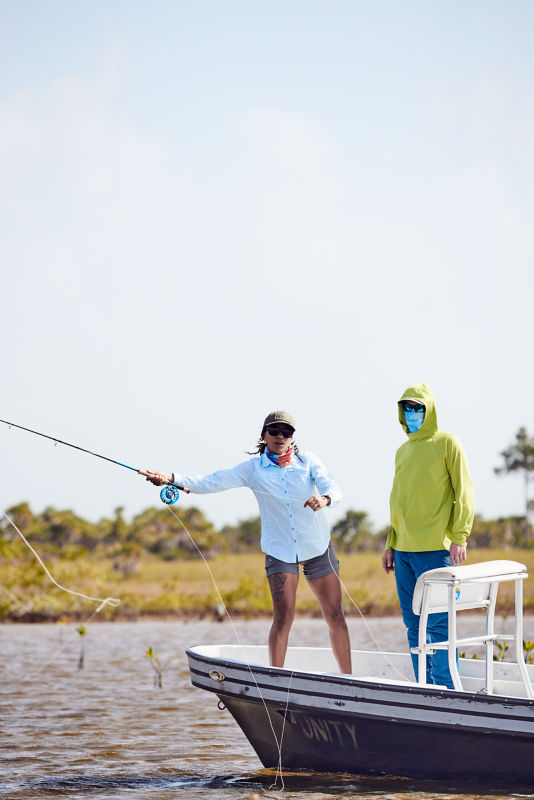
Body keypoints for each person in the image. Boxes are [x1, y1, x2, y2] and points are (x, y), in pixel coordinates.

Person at [143, 410, 352, 674]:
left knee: (335, 615)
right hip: (279, 551)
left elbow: (332, 486)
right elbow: (211, 481)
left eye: (286, 432)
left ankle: (349, 678)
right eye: (274, 431)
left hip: (317, 547)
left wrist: (325, 499)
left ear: (292, 437)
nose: (280, 436)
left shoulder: (308, 461)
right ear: (264, 436)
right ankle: (275, 679)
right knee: (283, 618)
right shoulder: (252, 468)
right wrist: (171, 478)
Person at [382, 383, 474, 689]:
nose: (412, 414)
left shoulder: (447, 442)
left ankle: (447, 690)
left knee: (438, 624)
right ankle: (424, 687)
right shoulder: (401, 451)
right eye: (407, 408)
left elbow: (464, 491)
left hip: (437, 550)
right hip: (403, 552)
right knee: (413, 625)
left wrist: (460, 535)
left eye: (417, 408)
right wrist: (390, 544)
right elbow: (398, 501)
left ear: (429, 410)